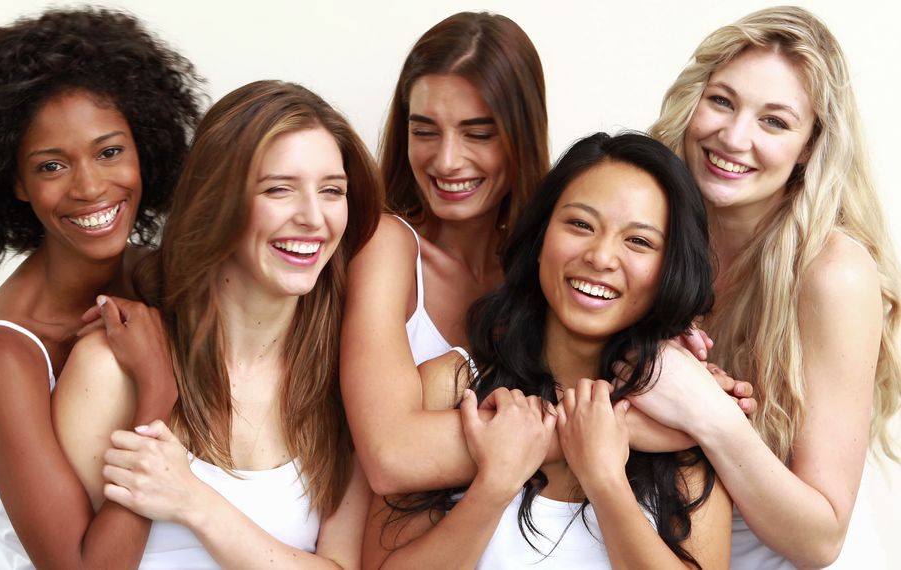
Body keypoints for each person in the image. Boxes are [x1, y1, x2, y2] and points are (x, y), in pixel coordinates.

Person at [341, 10, 751, 498]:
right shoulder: (387, 243)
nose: (446, 160)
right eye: (425, 130)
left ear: (522, 132)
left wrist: (673, 359)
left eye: (478, 132)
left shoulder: (555, 260)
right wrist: (628, 429)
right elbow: (392, 457)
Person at [0, 8, 202, 568]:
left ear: (145, 148)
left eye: (110, 151)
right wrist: (155, 390)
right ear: (13, 181)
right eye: (51, 166)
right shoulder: (3, 353)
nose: (90, 187)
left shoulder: (162, 278)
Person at [53, 80, 383, 569]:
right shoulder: (109, 370)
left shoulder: (343, 377)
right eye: (278, 189)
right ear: (217, 201)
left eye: (332, 191)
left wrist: (194, 500)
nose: (314, 217)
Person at [364, 132, 732, 569]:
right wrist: (494, 486)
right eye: (580, 225)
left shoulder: (686, 423)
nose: (600, 256)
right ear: (541, 238)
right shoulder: (454, 386)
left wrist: (606, 482)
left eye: (638, 241)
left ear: (670, 271)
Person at [639, 6, 901, 568]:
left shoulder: (833, 275)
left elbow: (820, 540)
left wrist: (705, 409)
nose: (733, 137)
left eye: (775, 121)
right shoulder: (648, 224)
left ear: (810, 145)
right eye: (723, 101)